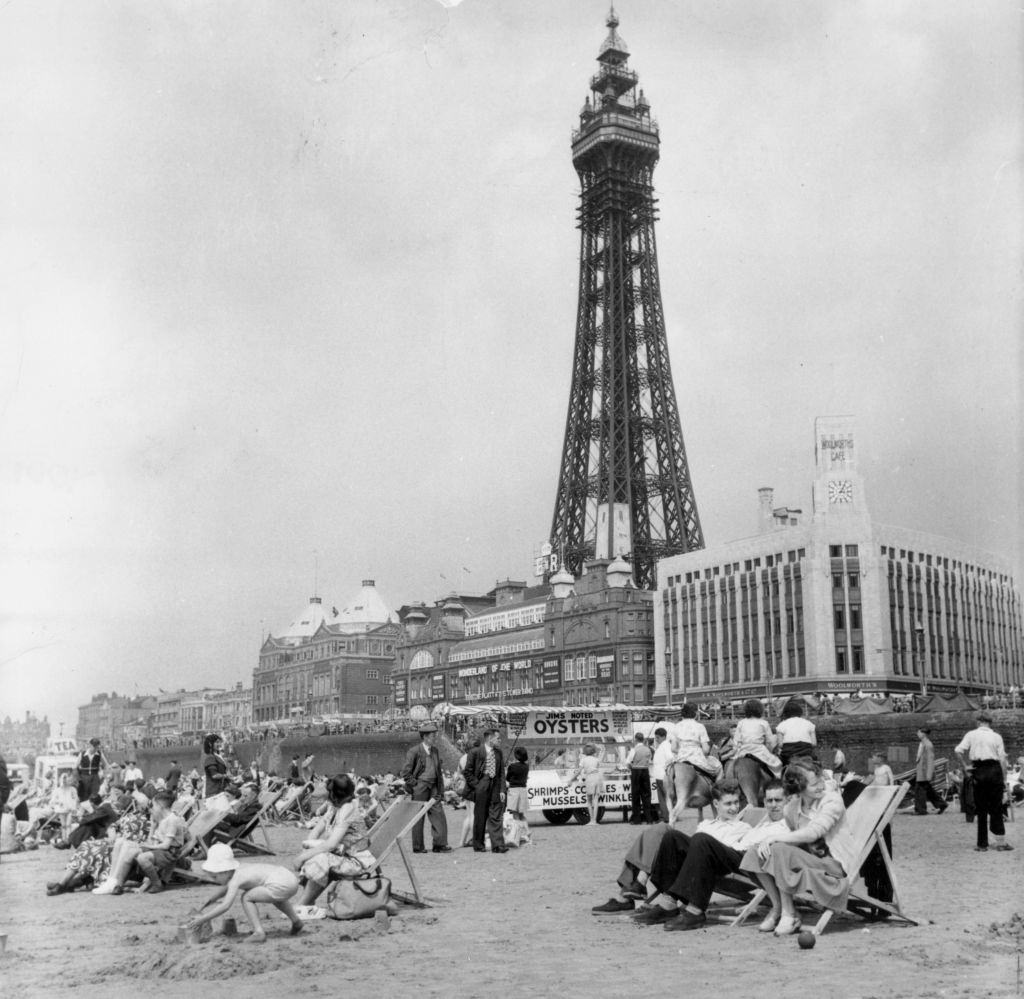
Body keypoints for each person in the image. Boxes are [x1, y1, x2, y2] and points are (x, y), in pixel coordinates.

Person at [591, 779, 788, 920]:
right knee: (664, 831)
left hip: (725, 860)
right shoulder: (707, 824)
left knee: (695, 839)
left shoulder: (743, 827)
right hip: (701, 855)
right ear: (716, 805)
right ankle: (639, 888)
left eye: (736, 803)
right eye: (728, 804)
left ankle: (653, 893)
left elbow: (731, 850)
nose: (734, 808)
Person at [740, 762, 850, 936]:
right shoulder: (791, 808)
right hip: (811, 860)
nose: (821, 785)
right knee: (756, 851)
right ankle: (778, 907)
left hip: (835, 866)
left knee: (778, 848)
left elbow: (814, 832)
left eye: (821, 779)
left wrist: (775, 839)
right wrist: (769, 843)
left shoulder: (832, 800)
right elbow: (796, 840)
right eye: (814, 784)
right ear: (799, 788)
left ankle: (789, 913)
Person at [187, 843, 303, 942]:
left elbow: (226, 905)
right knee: (273, 896)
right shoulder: (239, 869)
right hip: (287, 878)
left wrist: (203, 919)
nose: (214, 880)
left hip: (280, 883)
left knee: (246, 897)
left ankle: (258, 932)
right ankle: (296, 921)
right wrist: (208, 902)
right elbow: (224, 890)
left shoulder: (236, 878)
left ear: (225, 871)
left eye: (215, 876)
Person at [295, 775, 374, 905]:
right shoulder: (334, 808)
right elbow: (316, 830)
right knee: (314, 854)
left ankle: (302, 905)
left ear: (335, 794)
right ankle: (307, 904)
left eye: (329, 792)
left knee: (320, 858)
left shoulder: (348, 809)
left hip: (355, 861)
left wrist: (303, 857)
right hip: (342, 855)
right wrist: (306, 849)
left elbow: (331, 844)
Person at [94, 790, 187, 894]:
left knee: (142, 858)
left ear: (160, 805)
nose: (152, 808)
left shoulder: (172, 820)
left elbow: (166, 846)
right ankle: (117, 884)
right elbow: (152, 841)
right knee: (129, 851)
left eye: (154, 805)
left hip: (170, 852)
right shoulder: (162, 819)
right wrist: (152, 827)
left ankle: (157, 884)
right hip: (160, 849)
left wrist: (148, 846)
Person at [955, 712, 1012, 852]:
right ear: (989, 723)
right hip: (994, 770)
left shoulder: (971, 734)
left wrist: (965, 767)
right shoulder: (996, 736)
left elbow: (958, 750)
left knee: (981, 808)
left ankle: (982, 844)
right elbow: (1002, 759)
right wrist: (1004, 778)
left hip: (978, 770)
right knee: (996, 806)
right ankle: (1000, 842)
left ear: (979, 722)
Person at [400, 722, 452, 854]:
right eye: (433, 736)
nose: (435, 738)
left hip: (434, 786)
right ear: (425, 737)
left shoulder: (435, 751)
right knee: (418, 816)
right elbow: (405, 772)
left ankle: (439, 844)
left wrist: (440, 788)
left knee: (438, 813)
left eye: (435, 735)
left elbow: (438, 771)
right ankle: (418, 846)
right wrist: (415, 785)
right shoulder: (414, 751)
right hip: (420, 786)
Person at [464, 728, 507, 853]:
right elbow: (467, 772)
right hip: (481, 786)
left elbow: (501, 774)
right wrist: (477, 786)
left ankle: (498, 845)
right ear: (490, 738)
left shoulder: (499, 753)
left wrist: (502, 790)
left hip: (495, 787)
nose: (500, 740)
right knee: (480, 817)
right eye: (498, 738)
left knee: (496, 816)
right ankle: (478, 845)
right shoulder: (475, 752)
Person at [913, 728, 947, 815]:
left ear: (923, 734)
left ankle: (921, 809)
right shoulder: (924, 744)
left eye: (919, 732)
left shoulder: (928, 745)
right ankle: (941, 804)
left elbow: (930, 759)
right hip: (921, 770)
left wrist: (929, 773)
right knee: (927, 790)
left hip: (924, 771)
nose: (917, 734)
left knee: (920, 789)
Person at [774, 701, 817, 766]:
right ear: (800, 712)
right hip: (806, 752)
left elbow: (780, 745)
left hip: (788, 754)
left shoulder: (781, 725)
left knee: (779, 767)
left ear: (785, 713)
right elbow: (814, 743)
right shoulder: (809, 724)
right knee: (817, 766)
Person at [570, 744, 603, 824]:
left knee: (589, 800)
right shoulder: (596, 759)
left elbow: (578, 771)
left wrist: (571, 779)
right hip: (597, 778)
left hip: (590, 778)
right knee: (596, 800)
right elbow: (598, 768)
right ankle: (595, 820)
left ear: (585, 752)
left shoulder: (583, 760)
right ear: (593, 751)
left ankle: (591, 820)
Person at [505, 746, 532, 845]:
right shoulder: (526, 766)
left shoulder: (512, 766)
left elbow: (507, 778)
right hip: (523, 790)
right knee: (522, 815)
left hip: (514, 791)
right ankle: (527, 831)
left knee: (515, 815)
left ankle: (519, 835)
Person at [626, 732, 653, 825]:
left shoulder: (634, 750)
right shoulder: (648, 749)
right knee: (646, 795)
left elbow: (628, 762)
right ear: (643, 739)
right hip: (645, 771)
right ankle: (649, 818)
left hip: (636, 771)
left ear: (636, 739)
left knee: (636, 795)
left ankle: (637, 819)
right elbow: (649, 761)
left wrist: (632, 768)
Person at [649, 728, 672, 823]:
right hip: (659, 775)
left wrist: (666, 769)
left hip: (663, 776)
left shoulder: (666, 745)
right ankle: (664, 816)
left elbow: (670, 758)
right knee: (662, 798)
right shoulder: (662, 746)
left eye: (658, 737)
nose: (656, 739)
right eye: (655, 737)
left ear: (663, 737)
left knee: (665, 798)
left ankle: (666, 817)